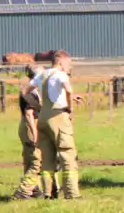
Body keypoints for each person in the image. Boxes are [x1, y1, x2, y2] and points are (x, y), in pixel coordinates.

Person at [31, 50, 83, 199]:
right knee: (68, 155)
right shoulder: (61, 75)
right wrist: (70, 108)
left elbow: (26, 90)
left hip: (43, 117)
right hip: (59, 117)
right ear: (60, 62)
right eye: (68, 64)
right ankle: (72, 193)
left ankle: (48, 193)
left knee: (47, 159)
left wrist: (37, 106)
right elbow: (67, 90)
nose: (69, 67)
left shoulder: (42, 75)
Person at [13, 65, 45, 200]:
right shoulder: (31, 92)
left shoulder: (33, 91)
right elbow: (29, 114)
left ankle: (34, 188)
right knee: (38, 161)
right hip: (31, 125)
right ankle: (24, 190)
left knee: (29, 158)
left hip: (25, 127)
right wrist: (35, 134)